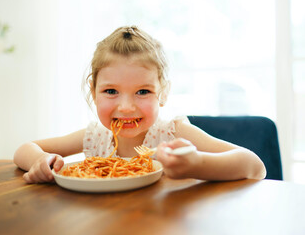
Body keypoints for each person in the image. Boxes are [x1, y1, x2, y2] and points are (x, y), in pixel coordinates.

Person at [14, 26, 266, 183]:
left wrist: (198, 164)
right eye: (111, 91)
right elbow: (25, 148)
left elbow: (254, 165)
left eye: (143, 91)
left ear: (163, 93)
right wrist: (43, 161)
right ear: (93, 92)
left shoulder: (172, 133)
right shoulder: (95, 137)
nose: (126, 107)